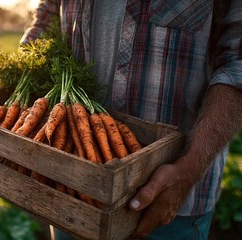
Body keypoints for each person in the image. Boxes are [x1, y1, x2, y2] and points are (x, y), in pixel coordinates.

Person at [20, 0, 242, 239]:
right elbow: (47, 18)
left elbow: (237, 64)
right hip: (69, 185)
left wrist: (186, 172)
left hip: (166, 201)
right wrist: (21, 81)